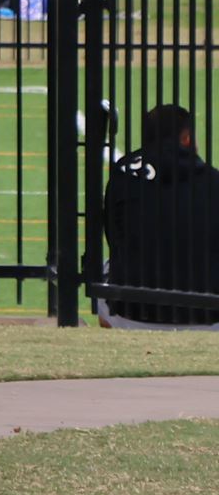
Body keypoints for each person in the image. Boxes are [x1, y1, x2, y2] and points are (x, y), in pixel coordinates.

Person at [99, 104, 219, 328]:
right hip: (208, 314)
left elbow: (114, 238)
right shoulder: (212, 180)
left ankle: (115, 343)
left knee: (107, 268)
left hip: (132, 310)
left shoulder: (121, 174)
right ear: (186, 138)